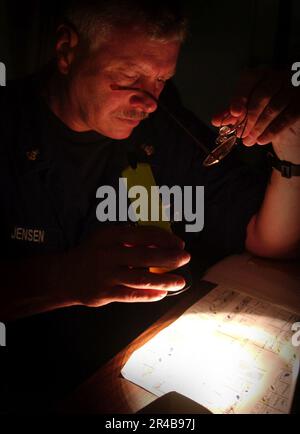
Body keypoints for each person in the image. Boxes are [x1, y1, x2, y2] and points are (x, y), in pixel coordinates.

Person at [0, 0, 299, 411]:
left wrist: (291, 149)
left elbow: (267, 241)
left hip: (151, 365)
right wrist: (61, 278)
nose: (149, 100)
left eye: (160, 79)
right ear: (67, 49)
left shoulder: (162, 126)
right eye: (127, 77)